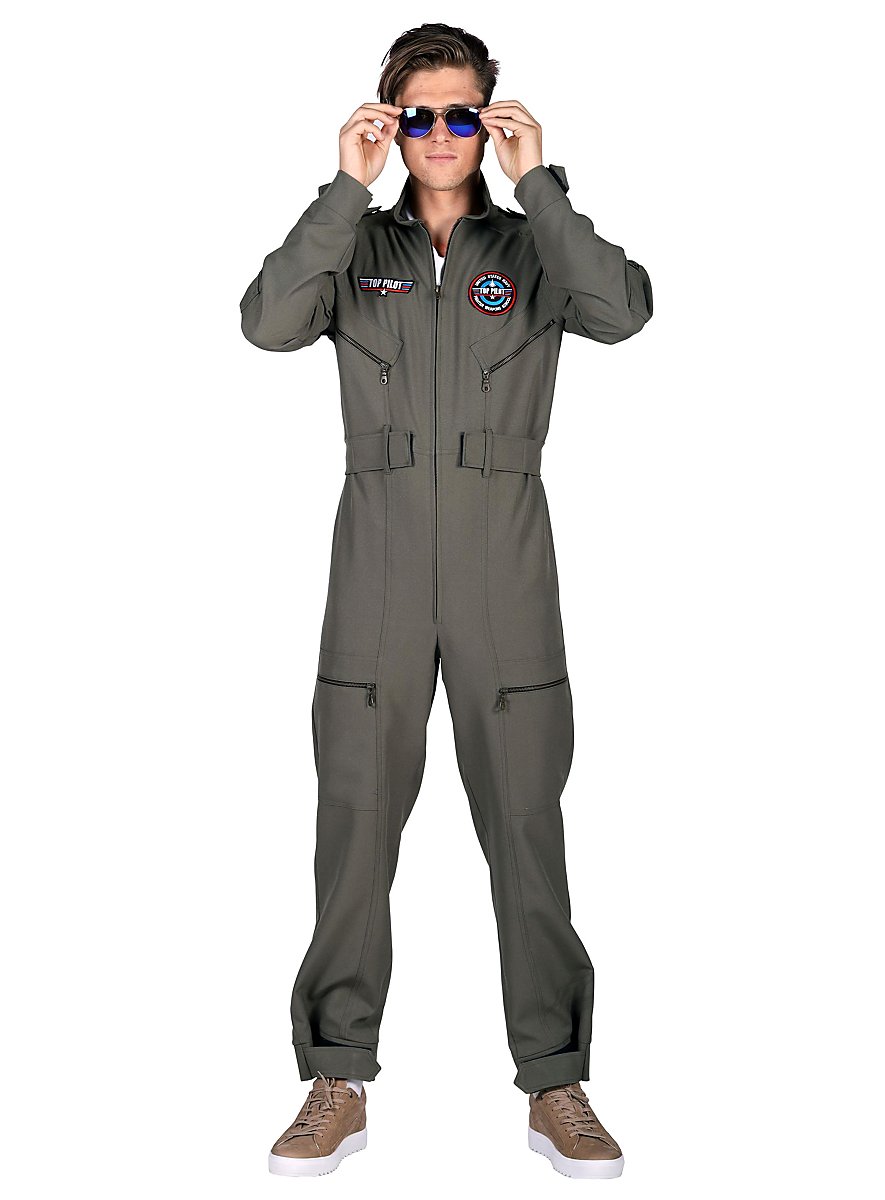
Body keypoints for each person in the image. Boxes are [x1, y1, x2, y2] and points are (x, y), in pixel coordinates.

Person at [239, 22, 652, 1180]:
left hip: (503, 562)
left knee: (525, 819)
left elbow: (622, 309)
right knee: (354, 817)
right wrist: (343, 186)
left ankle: (557, 1084)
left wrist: (541, 184)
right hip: (374, 563)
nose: (438, 134)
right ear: (387, 120)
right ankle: (336, 1078)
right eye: (415, 114)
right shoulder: (354, 247)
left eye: (460, 113)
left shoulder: (532, 250)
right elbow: (267, 322)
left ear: (491, 122)